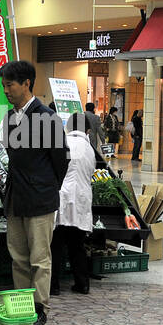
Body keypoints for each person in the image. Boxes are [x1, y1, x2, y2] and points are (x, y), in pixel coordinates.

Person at [0, 60, 68, 325]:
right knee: (18, 255)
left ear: (27, 84)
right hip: (16, 196)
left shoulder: (46, 117)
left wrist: (48, 186)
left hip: (40, 198)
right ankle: (21, 305)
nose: (6, 90)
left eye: (10, 85)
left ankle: (40, 307)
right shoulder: (10, 117)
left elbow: (60, 160)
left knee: (39, 257)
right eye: (3, 85)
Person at [51, 113, 95, 297]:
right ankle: (82, 283)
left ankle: (53, 286)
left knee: (56, 244)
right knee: (77, 245)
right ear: (88, 130)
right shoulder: (89, 148)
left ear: (68, 127)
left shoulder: (63, 142)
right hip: (81, 199)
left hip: (61, 197)